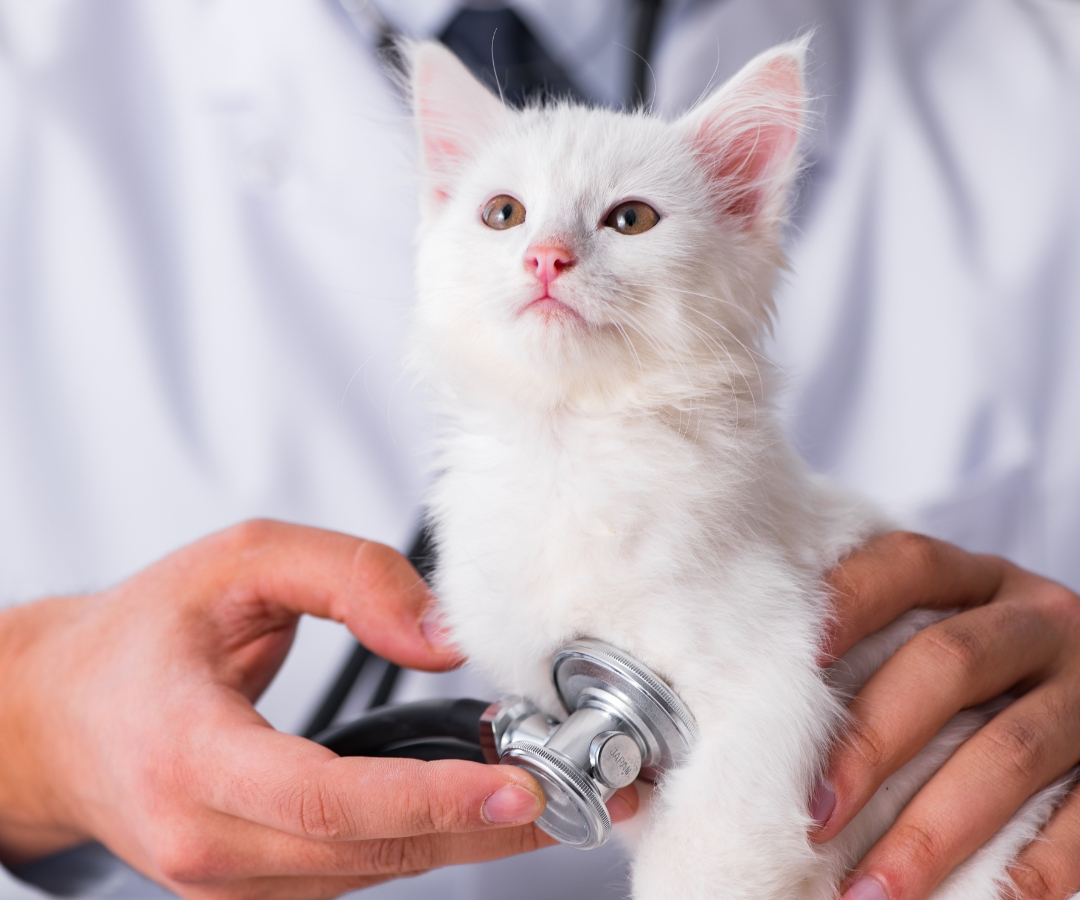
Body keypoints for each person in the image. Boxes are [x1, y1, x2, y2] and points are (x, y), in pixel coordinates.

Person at [0, 1, 1078, 899]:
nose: (551, 253)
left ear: (747, 201)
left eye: (627, 218)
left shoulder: (1040, 74)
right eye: (504, 210)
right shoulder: (41, 64)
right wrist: (40, 729)